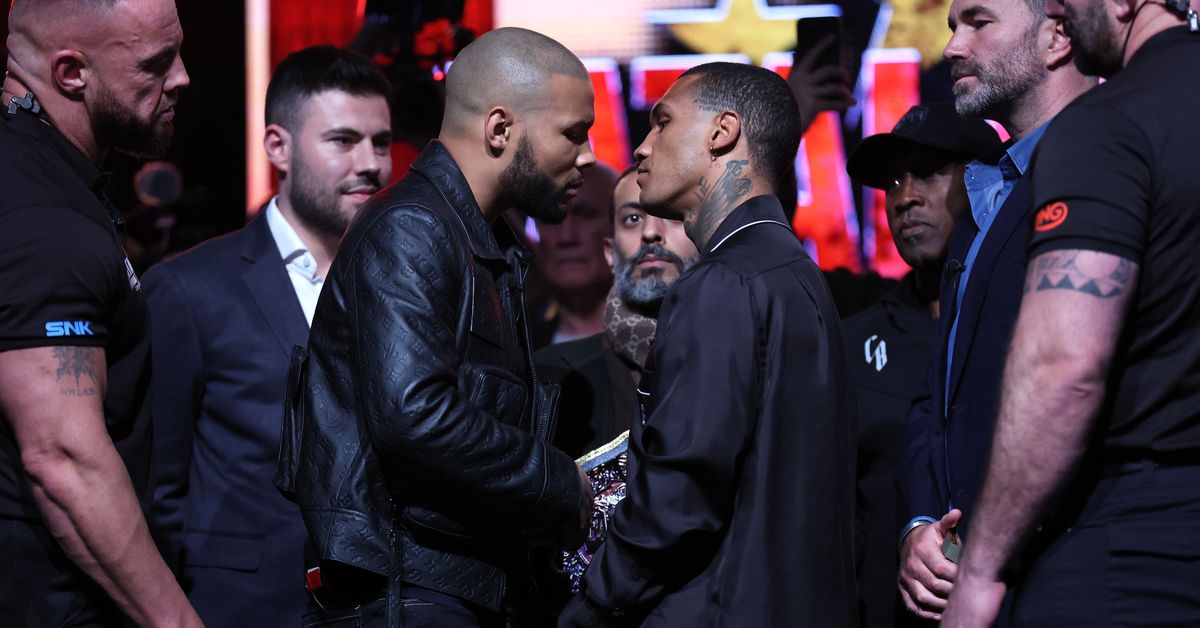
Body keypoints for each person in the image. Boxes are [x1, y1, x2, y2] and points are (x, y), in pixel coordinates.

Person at [284, 27, 594, 627]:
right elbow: (414, 412)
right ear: (500, 129)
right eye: (573, 134)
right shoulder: (413, 227)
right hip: (405, 597)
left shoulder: (477, 237)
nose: (587, 155)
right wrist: (558, 480)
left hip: (445, 591)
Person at [561, 61, 856, 627]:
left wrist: (590, 608)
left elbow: (678, 495)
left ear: (722, 133)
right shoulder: (795, 274)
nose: (643, 147)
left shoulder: (722, 284)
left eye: (662, 123)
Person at [942, 1, 1200, 626]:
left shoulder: (1106, 125)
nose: (1061, 6)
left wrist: (979, 572)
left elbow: (1064, 365)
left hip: (1136, 550)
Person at [143, 45, 392, 627]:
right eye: (342, 140)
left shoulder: (400, 282)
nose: (372, 164)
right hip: (240, 606)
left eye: (380, 142)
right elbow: (155, 490)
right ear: (277, 146)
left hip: (382, 606)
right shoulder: (189, 290)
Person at [895, 0, 1096, 620]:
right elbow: (940, 395)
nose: (952, 47)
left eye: (978, 23)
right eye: (954, 26)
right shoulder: (984, 198)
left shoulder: (1113, 166)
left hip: (1079, 573)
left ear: (1056, 36)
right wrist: (921, 525)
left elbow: (1082, 384)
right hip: (978, 586)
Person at [0, 0, 199, 626]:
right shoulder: (43, 219)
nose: (183, 77)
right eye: (155, 64)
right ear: (70, 74)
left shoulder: (38, 180)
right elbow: (64, 459)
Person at [843, 103, 1001, 628]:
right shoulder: (857, 335)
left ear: (982, 179)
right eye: (894, 180)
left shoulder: (1024, 323)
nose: (905, 197)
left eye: (930, 172)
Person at [537, 165, 699, 459]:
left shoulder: (746, 354)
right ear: (611, 253)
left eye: (672, 215)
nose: (650, 232)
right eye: (632, 218)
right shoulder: (550, 378)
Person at [530, 164, 619, 348]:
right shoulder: (518, 354)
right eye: (551, 219)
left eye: (586, 215)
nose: (566, 237)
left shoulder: (662, 342)